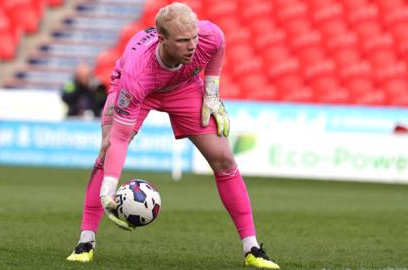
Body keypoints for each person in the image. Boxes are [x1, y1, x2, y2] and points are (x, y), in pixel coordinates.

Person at [66, 2, 279, 269]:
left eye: (193, 38)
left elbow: (218, 46)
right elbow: (120, 139)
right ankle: (86, 242)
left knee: (224, 159)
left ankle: (252, 249)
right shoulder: (137, 75)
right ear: (162, 39)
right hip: (140, 88)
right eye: (182, 41)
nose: (192, 45)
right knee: (107, 149)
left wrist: (211, 94)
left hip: (183, 88)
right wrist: (108, 193)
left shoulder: (208, 35)